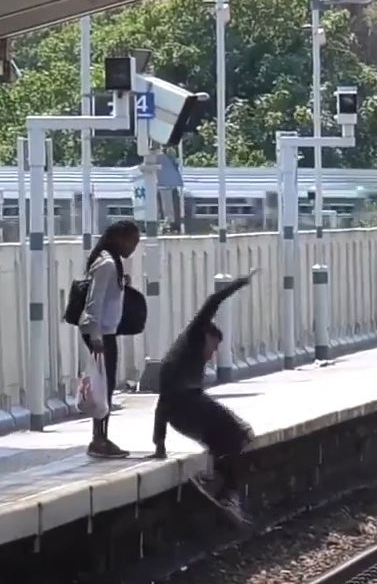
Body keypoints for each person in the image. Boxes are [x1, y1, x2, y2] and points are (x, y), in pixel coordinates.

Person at [152, 270, 257, 524]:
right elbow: (212, 302)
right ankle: (225, 491)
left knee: (230, 439)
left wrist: (160, 443)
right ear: (207, 336)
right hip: (188, 407)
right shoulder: (192, 338)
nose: (213, 354)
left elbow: (163, 405)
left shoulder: (188, 360)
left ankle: (221, 487)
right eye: (214, 346)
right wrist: (239, 284)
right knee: (240, 432)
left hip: (188, 414)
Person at [78, 219, 141, 459]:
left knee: (107, 385)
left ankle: (101, 437)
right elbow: (94, 302)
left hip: (104, 331)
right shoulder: (106, 264)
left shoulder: (112, 262)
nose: (133, 248)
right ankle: (99, 440)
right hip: (100, 333)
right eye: (131, 241)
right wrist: (96, 337)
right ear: (119, 239)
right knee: (104, 386)